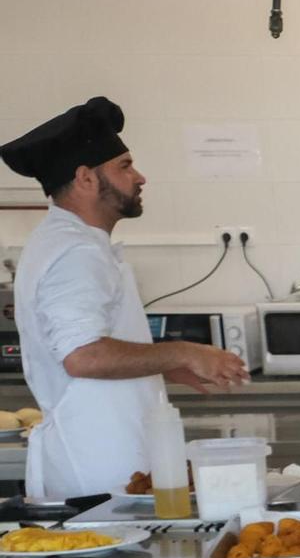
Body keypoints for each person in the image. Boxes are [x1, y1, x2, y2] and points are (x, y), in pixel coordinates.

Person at [1, 97, 247, 502]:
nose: (140, 177)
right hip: (96, 477)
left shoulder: (76, 243)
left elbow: (89, 348)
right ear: (85, 178)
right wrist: (182, 353)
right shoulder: (75, 252)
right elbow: (82, 356)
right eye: (125, 166)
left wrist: (159, 370)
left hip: (109, 466)